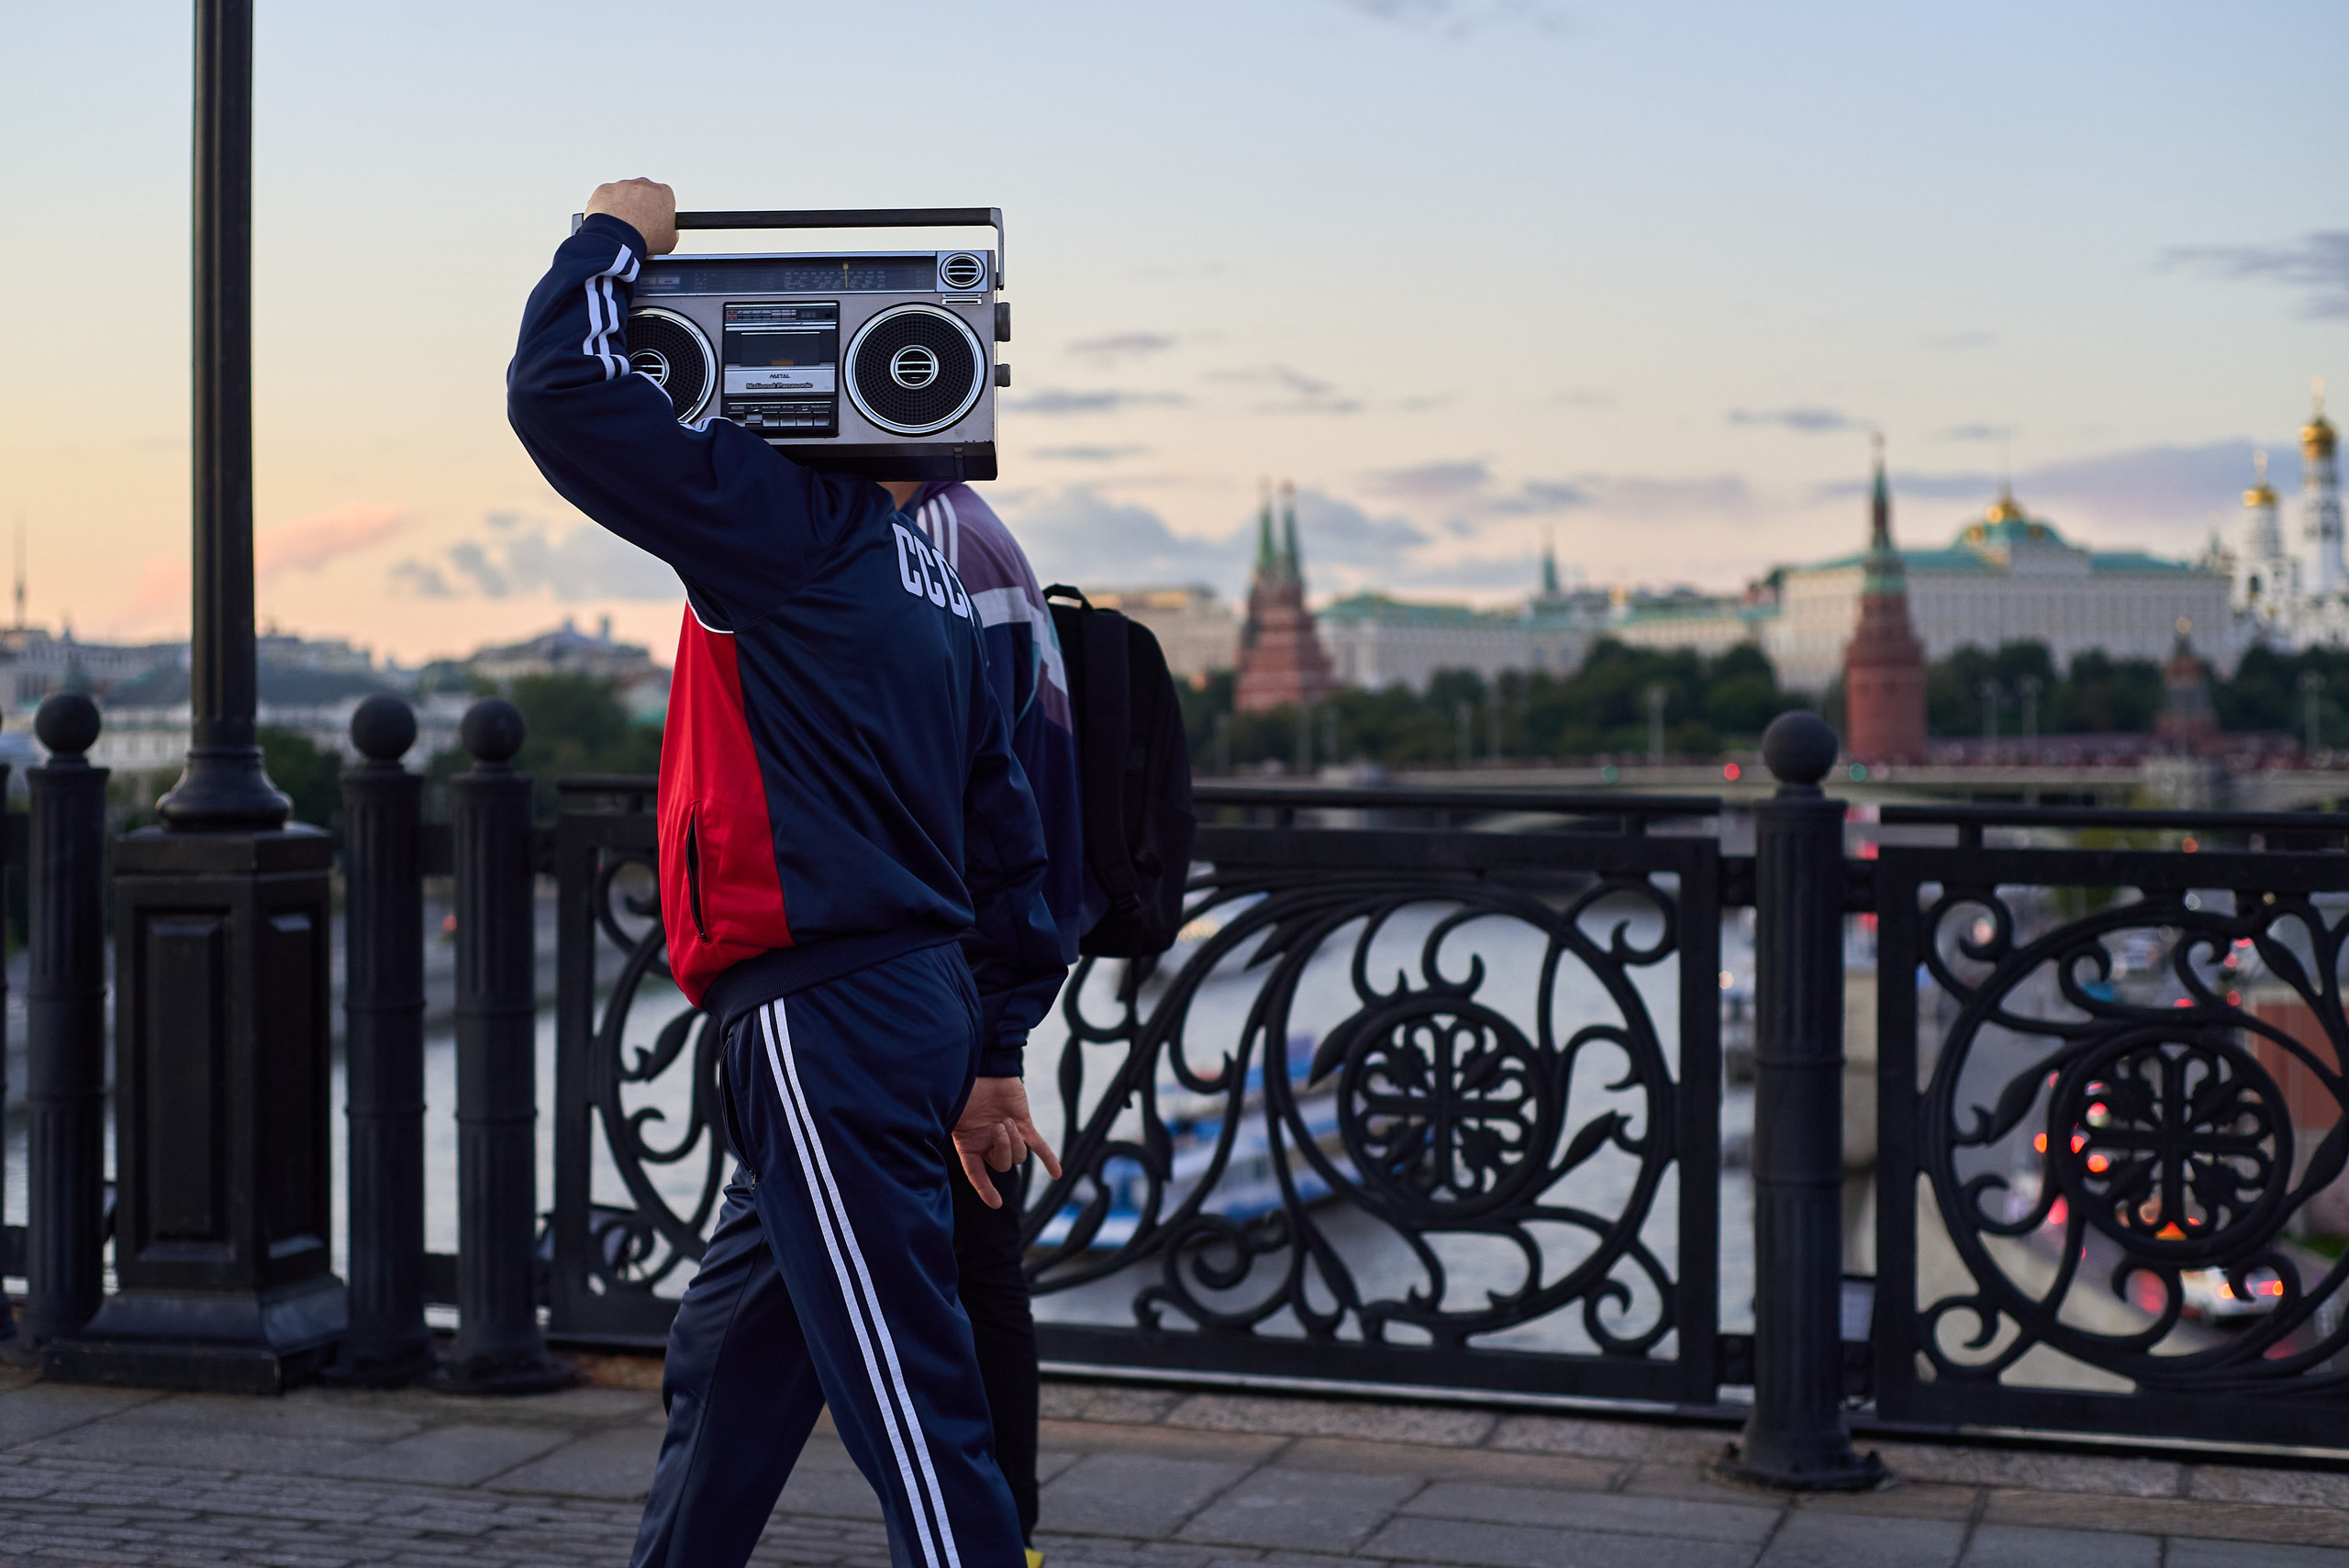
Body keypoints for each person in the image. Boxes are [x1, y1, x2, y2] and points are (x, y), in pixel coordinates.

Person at [508, 178, 1065, 1568]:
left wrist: (616, 238)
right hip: (900, 1007)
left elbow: (561, 394)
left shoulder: (787, 531)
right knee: (735, 1375)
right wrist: (993, 1047)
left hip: (826, 1013)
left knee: (914, 1418)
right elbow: (1009, 835)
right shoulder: (929, 574)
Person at [908, 482, 1091, 1562]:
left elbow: (980, 804)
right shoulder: (970, 533)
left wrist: (992, 1043)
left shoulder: (927, 545)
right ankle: (995, 1535)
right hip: (969, 971)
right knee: (973, 1270)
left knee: (970, 1272)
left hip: (939, 976)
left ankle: (992, 1538)